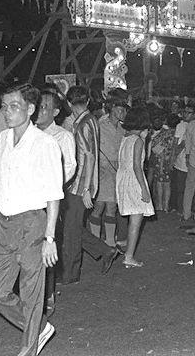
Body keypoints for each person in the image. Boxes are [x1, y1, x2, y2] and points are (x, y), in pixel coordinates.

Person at [0, 83, 63, 356]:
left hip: (33, 225)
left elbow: (54, 194)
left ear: (30, 109)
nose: (7, 112)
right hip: (4, 223)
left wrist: (49, 238)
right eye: (4, 106)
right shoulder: (2, 138)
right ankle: (39, 327)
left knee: (31, 292)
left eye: (14, 106)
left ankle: (29, 346)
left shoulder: (46, 143)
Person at [60, 85, 119, 285]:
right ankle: (106, 250)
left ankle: (70, 274)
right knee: (72, 225)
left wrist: (86, 189)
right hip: (79, 182)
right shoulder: (90, 120)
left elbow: (90, 156)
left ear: (69, 104)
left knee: (71, 231)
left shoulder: (84, 123)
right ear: (86, 101)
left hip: (80, 184)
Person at [36, 86, 77, 316]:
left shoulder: (62, 136)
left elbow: (70, 167)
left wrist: (51, 184)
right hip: (28, 199)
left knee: (47, 245)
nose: (39, 111)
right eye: (37, 106)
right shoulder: (28, 133)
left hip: (49, 198)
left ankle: (48, 294)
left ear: (55, 111)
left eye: (44, 107)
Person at [116, 106, 155, 267]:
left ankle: (128, 254)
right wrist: (144, 189)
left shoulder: (126, 137)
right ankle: (129, 257)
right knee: (136, 220)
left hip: (123, 178)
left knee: (133, 217)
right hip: (134, 179)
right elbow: (138, 166)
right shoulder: (138, 140)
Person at [91, 89, 128, 246]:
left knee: (112, 208)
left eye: (124, 110)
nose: (123, 113)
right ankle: (94, 241)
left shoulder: (123, 129)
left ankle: (110, 243)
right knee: (99, 207)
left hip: (116, 174)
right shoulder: (99, 125)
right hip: (102, 173)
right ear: (112, 108)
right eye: (120, 109)